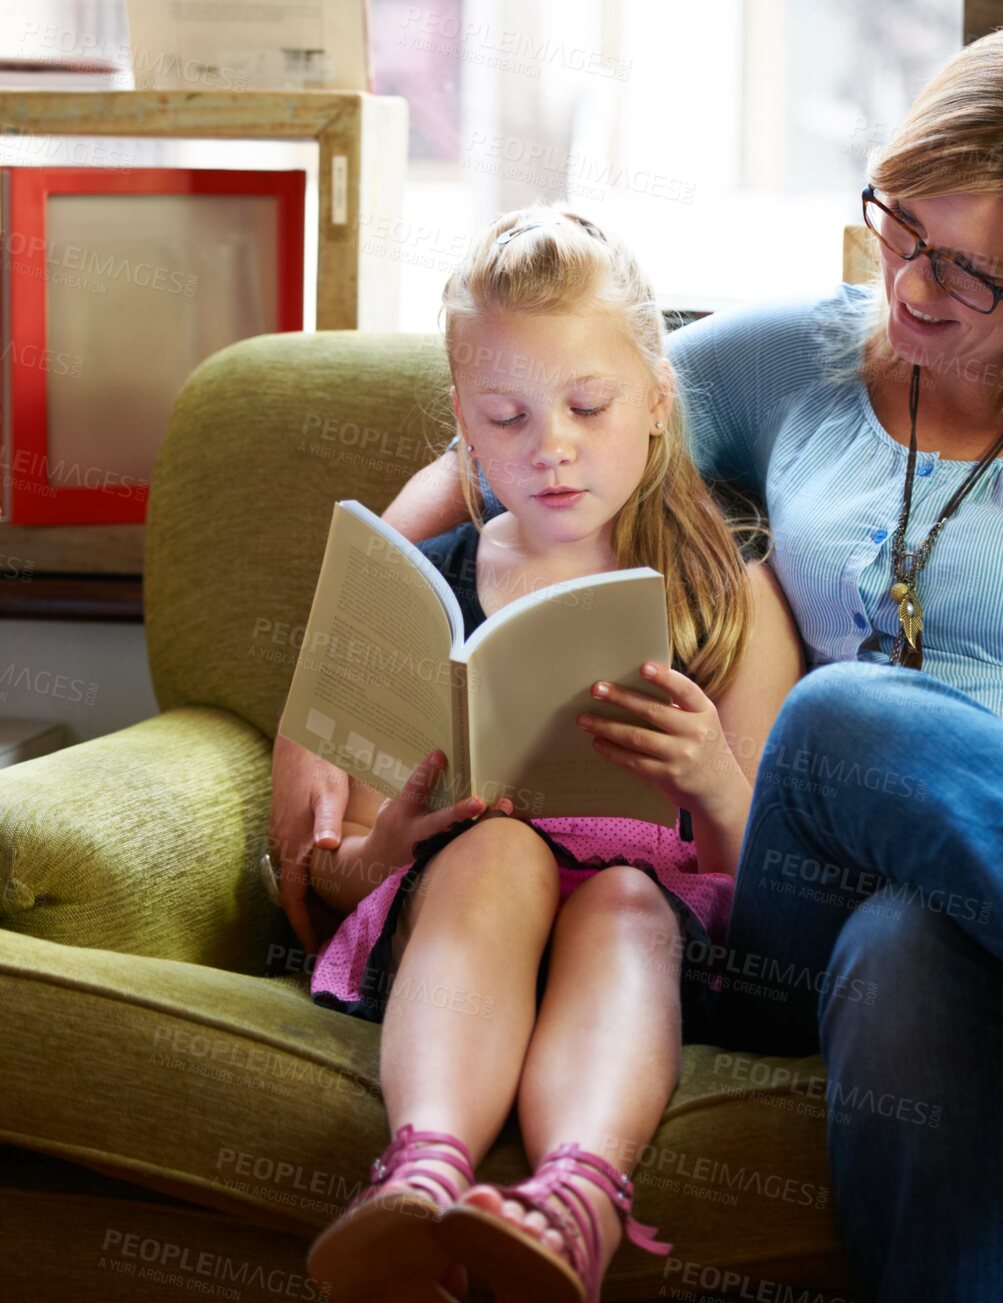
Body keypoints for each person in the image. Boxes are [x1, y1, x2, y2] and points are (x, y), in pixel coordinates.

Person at [273, 21, 1003, 1302]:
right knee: (845, 723)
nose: (908, 285)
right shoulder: (792, 361)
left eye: (968, 271)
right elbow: (542, 420)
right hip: (801, 898)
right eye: (899, 225)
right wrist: (353, 642)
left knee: (916, 936)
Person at [299, 204, 804, 1303]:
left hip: (643, 933)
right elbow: (334, 875)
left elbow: (770, 872)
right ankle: (418, 1175)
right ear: (462, 428)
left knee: (621, 894)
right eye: (506, 416)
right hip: (461, 921)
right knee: (498, 856)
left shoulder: (729, 594)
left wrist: (710, 774)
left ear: (658, 399)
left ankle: (573, 1202)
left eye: (588, 404)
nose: (552, 447)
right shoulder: (425, 582)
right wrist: (381, 847)